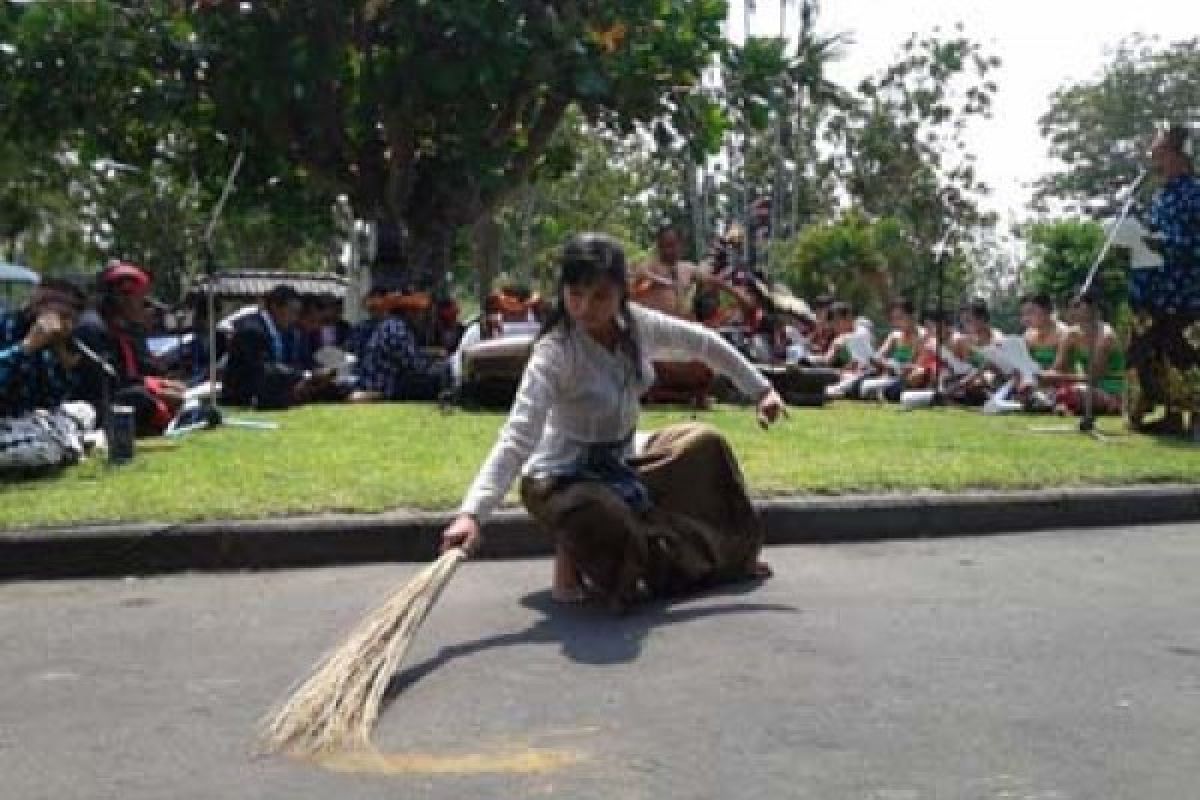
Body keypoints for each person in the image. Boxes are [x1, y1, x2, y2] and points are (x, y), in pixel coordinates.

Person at [440, 233, 787, 612]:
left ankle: (730, 557)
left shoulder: (638, 325)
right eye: (575, 295)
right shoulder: (554, 353)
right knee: (602, 512)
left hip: (624, 458)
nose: (586, 308)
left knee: (704, 444)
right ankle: (589, 561)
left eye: (600, 296)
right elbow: (517, 438)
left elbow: (703, 343)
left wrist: (762, 390)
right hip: (562, 476)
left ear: (621, 293)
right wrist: (471, 514)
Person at [1127, 124, 1200, 437]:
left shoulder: (1195, 193)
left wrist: (1165, 242)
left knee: (1188, 355)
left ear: (1179, 155)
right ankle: (1170, 415)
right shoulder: (1160, 196)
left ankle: (1197, 419)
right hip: (1156, 292)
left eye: (1159, 153)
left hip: (1187, 292)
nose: (1154, 160)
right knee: (1160, 353)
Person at [74, 262, 187, 436]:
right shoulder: (92, 328)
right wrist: (158, 392)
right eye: (141, 299)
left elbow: (144, 370)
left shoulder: (125, 328)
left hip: (121, 393)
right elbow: (108, 382)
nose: (145, 306)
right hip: (96, 405)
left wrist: (163, 384)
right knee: (142, 399)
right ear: (122, 297)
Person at [0, 279, 94, 471]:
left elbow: (52, 400)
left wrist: (61, 354)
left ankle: (60, 443)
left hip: (24, 421)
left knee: (84, 411)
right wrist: (26, 347)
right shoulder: (7, 326)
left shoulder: (51, 343)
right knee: (46, 450)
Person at [221, 285, 339, 409]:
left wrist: (316, 373)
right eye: (292, 311)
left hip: (272, 391)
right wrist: (305, 375)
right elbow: (264, 368)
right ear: (275, 307)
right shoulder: (252, 329)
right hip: (245, 397)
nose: (295, 318)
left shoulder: (283, 332)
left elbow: (293, 362)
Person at [1054, 292, 1125, 416]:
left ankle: (1113, 404)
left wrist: (1060, 378)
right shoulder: (1070, 335)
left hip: (1111, 389)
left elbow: (1094, 376)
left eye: (1077, 306)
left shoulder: (1105, 336)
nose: (1071, 311)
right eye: (1069, 307)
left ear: (1092, 308)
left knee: (1071, 393)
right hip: (1086, 386)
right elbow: (1058, 367)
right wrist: (1040, 376)